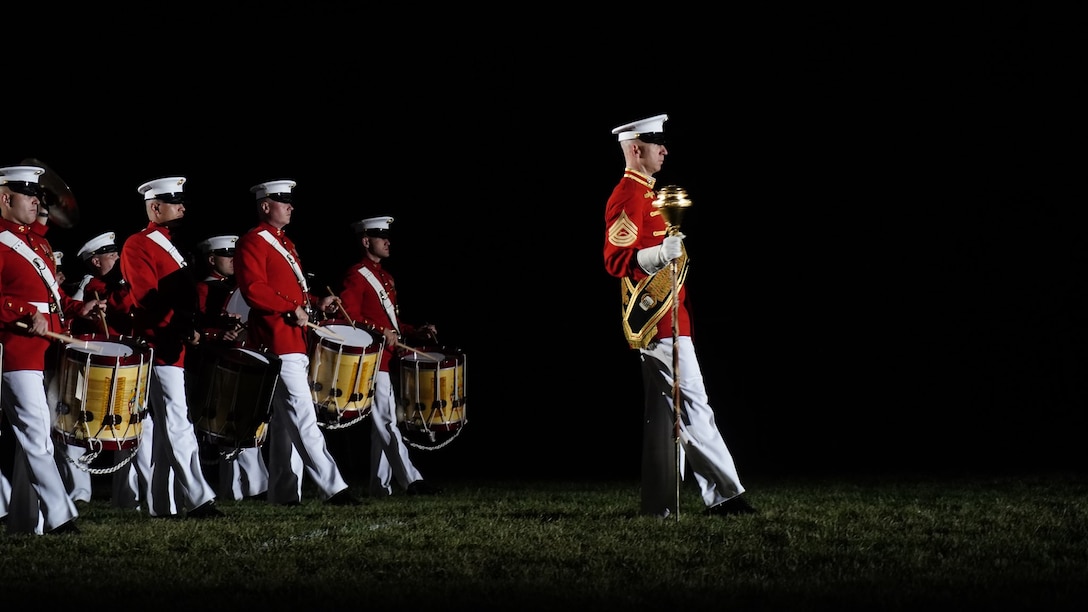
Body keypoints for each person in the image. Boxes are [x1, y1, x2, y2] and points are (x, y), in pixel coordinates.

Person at [602, 115, 757, 518]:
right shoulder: (628, 195)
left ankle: (660, 504)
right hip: (658, 321)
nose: (665, 150)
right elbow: (614, 259)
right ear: (636, 149)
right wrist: (659, 255)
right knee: (694, 406)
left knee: (664, 416)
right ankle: (725, 495)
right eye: (657, 144)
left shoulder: (649, 194)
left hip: (671, 316)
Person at [233, 179, 359, 506]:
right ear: (265, 206)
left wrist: (316, 303)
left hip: (293, 341)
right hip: (277, 341)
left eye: (290, 201)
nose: (290, 206)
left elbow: (292, 294)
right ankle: (334, 488)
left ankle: (284, 494)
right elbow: (254, 290)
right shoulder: (253, 241)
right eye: (282, 201)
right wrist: (292, 308)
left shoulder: (284, 243)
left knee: (288, 425)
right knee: (303, 415)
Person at [0, 164, 104, 534]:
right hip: (17, 349)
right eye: (29, 195)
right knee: (36, 433)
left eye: (37, 195)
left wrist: (80, 308)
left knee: (36, 434)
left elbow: (55, 297)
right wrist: (23, 313)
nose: (36, 202)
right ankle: (61, 517)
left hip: (49, 345)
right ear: (5, 198)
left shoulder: (38, 242)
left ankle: (25, 520)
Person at [119, 175, 222, 519]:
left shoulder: (171, 245)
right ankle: (198, 498)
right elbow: (147, 299)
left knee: (167, 429)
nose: (181, 207)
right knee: (177, 421)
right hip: (157, 344)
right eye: (174, 202)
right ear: (155, 207)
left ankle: (161, 504)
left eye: (181, 202)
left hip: (172, 343)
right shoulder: (138, 244)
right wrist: (182, 329)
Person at [338, 216, 441, 497]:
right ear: (365, 241)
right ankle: (411, 480)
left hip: (389, 357)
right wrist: (377, 329)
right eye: (380, 236)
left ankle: (379, 486)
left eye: (387, 236)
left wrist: (415, 331)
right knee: (386, 420)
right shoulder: (356, 275)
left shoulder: (387, 277)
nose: (387, 241)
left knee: (382, 425)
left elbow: (392, 324)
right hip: (372, 359)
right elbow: (347, 317)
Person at [69, 231, 168, 514]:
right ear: (95, 261)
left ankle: (130, 495)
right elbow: (124, 303)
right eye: (110, 254)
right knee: (121, 429)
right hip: (107, 369)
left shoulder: (114, 283)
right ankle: (105, 494)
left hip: (128, 365)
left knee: (137, 429)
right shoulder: (94, 286)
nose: (117, 257)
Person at [191, 233, 269, 501]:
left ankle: (249, 486)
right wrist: (217, 333)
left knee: (247, 421)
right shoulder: (203, 289)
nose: (233, 260)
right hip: (215, 362)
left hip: (241, 358)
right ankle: (240, 488)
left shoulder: (240, 288)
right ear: (212, 259)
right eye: (227, 255)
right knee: (228, 426)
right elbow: (196, 326)